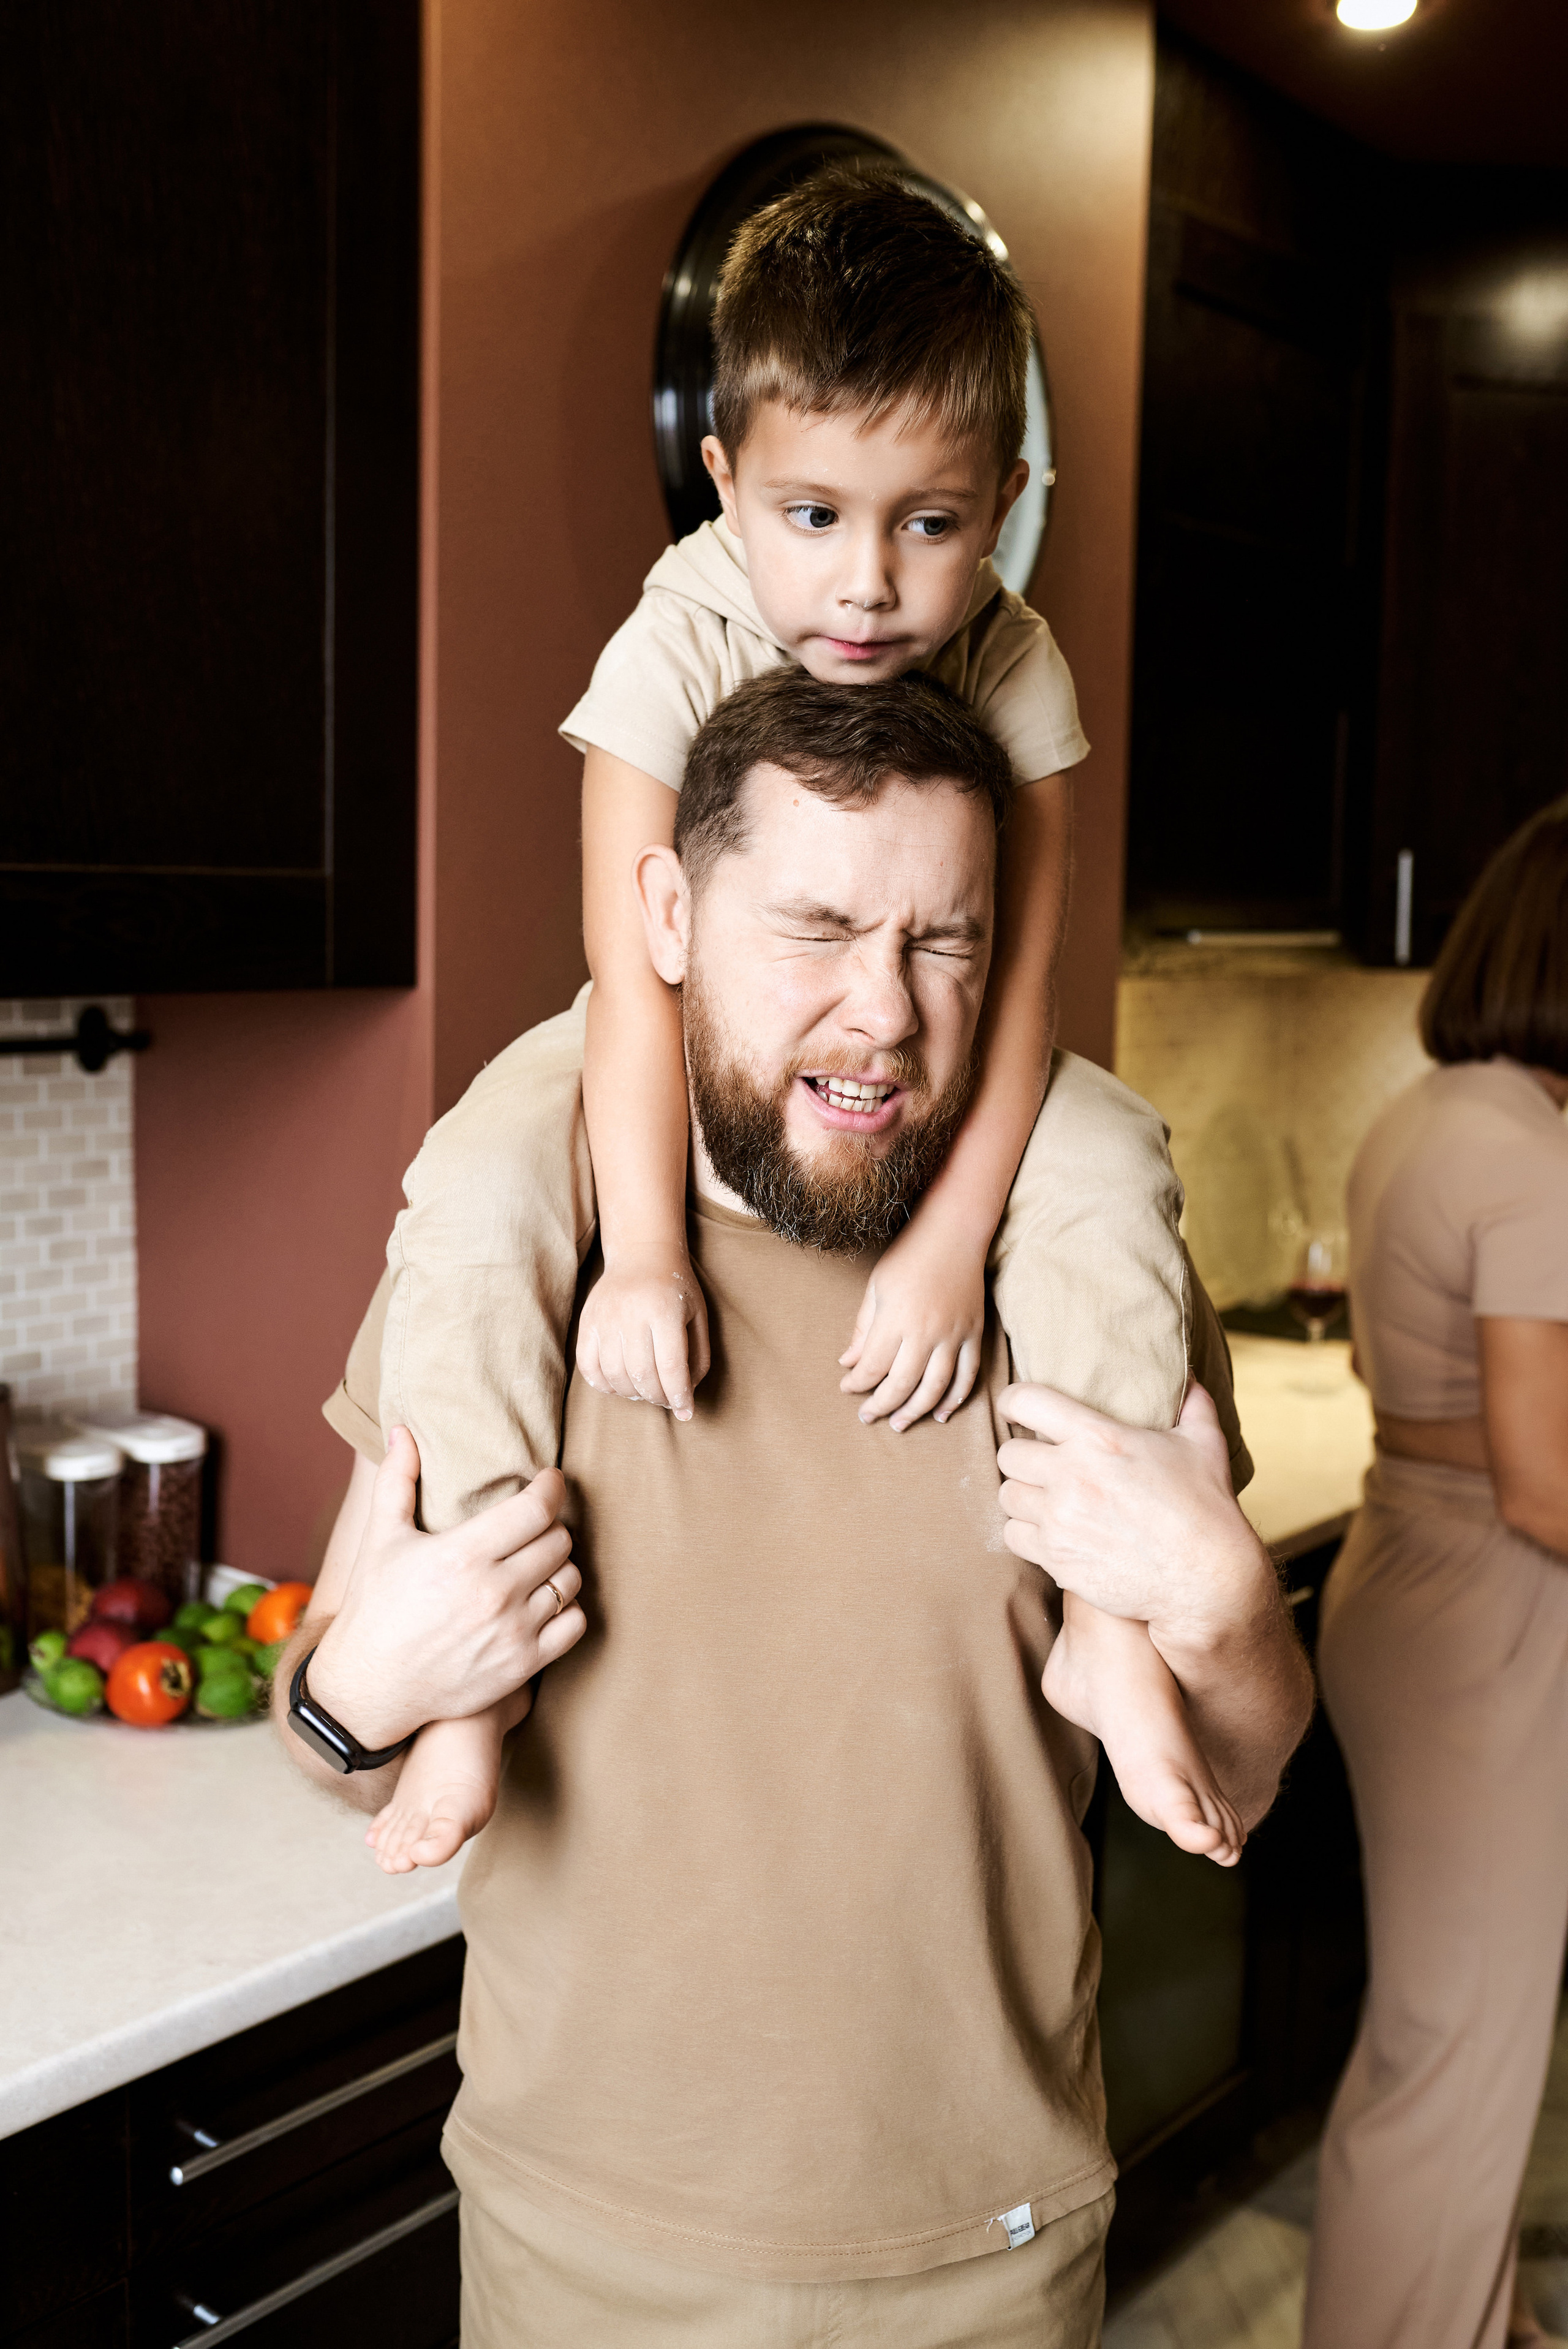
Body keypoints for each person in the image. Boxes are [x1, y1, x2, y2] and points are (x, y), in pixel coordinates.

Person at [275, 670, 1313, 2347]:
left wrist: (1230, 1607)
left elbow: (1240, 1779)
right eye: (816, 930)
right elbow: (336, 1743)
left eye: (943, 943)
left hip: (989, 2261)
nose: (883, 1011)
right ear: (669, 917)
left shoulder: (1082, 1276)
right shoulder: (514, 1267)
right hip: (574, 2259)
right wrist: (356, 1694)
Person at [368, 167, 1257, 1875]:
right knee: (474, 1183)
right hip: (658, 1018)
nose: (864, 585)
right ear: (725, 482)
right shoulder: (670, 643)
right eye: (812, 516)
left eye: (928, 524)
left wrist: (947, 1249)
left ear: (1003, 502)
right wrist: (643, 1254)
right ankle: (470, 1660)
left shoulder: (1013, 662)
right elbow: (636, 972)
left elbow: (1015, 990)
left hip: (962, 1049)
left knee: (1110, 1169)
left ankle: (1111, 1626)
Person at [1303, 797, 1568, 2349]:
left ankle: (1481, 2321)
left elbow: (1422, 1398)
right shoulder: (1529, 1155)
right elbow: (1542, 1481)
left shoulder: (1427, 1116)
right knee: (1455, 2054)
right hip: (1488, 1615)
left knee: (1440, 2033)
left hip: (1403, 1574)